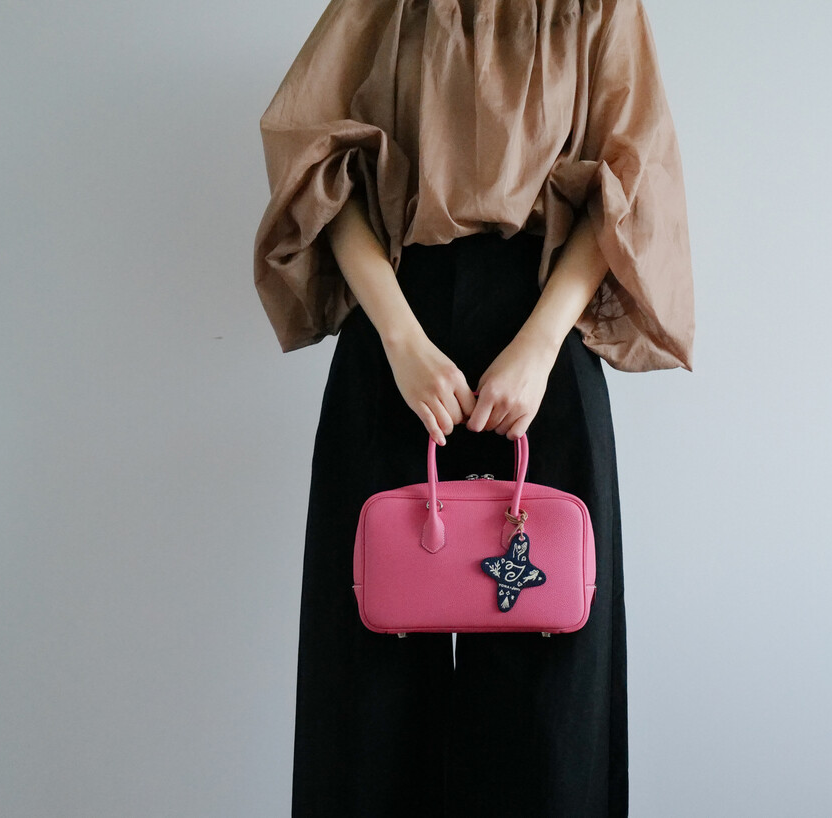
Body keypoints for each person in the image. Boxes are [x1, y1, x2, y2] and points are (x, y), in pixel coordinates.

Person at [252, 1, 694, 815]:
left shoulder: (599, 7)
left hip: (542, 346)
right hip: (398, 340)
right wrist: (400, 339)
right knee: (370, 686)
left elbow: (627, 180)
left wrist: (541, 346)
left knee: (550, 695)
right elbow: (318, 167)